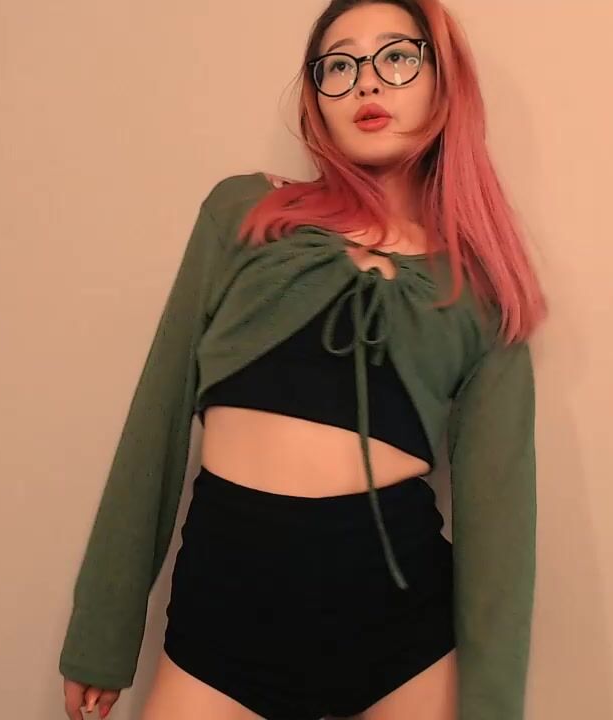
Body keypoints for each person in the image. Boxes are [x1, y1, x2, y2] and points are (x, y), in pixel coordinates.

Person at [60, 1, 547, 718]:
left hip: (399, 630)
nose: (366, 82)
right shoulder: (246, 213)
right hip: (225, 610)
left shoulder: (481, 287)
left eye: (397, 57)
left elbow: (499, 526)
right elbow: (156, 419)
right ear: (316, 97)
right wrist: (102, 633)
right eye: (338, 66)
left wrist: (493, 709)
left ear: (443, 80)